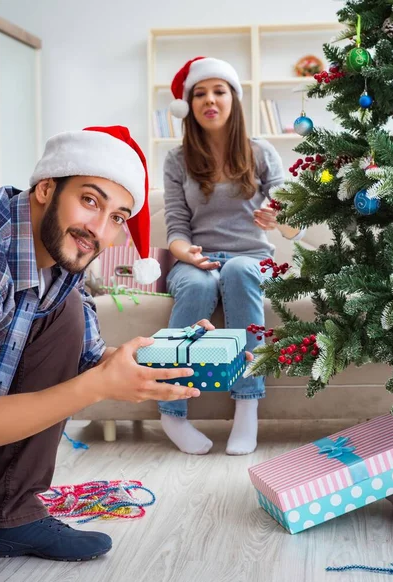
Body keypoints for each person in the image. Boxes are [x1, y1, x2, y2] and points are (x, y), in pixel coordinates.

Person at [0, 125, 208, 582]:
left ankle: (12, 514)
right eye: (90, 201)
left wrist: (176, 352)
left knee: (64, 316)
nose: (99, 231)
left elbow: (87, 361)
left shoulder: (60, 251)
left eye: (117, 217)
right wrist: (103, 385)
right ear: (46, 188)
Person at [159, 57, 305, 457]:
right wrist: (183, 252)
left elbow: (296, 219)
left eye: (219, 91)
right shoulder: (177, 159)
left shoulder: (261, 153)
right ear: (188, 105)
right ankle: (171, 412)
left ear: (233, 99)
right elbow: (175, 226)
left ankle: (247, 404)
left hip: (251, 258)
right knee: (197, 284)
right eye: (200, 93)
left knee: (241, 270)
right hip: (196, 259)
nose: (210, 100)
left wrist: (280, 217)